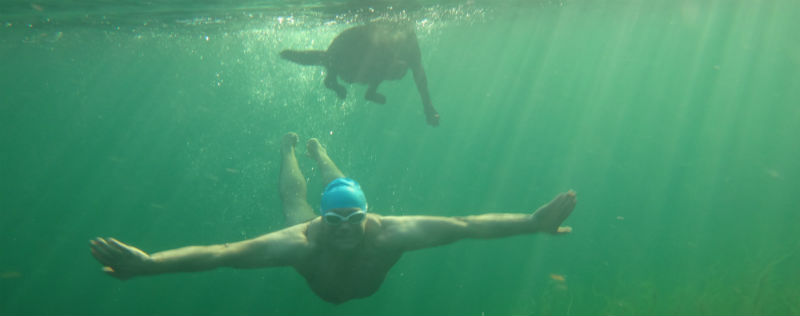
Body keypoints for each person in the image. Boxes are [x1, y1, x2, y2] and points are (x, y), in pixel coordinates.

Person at [90, 132, 578, 304]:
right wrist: (151, 263)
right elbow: (220, 255)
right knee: (292, 203)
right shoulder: (301, 240)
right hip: (318, 268)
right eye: (335, 221)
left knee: (337, 186)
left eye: (355, 219)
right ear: (324, 221)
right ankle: (289, 151)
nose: (345, 231)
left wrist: (532, 222)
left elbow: (469, 225)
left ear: (369, 216)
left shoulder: (390, 233)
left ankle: (324, 156)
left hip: (350, 276)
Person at [280, 23, 440, 126]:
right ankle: (333, 78)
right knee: (330, 59)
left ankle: (336, 79)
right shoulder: (390, 44)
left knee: (331, 60)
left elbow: (419, 74)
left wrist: (428, 105)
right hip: (348, 51)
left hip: (352, 59)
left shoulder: (405, 45)